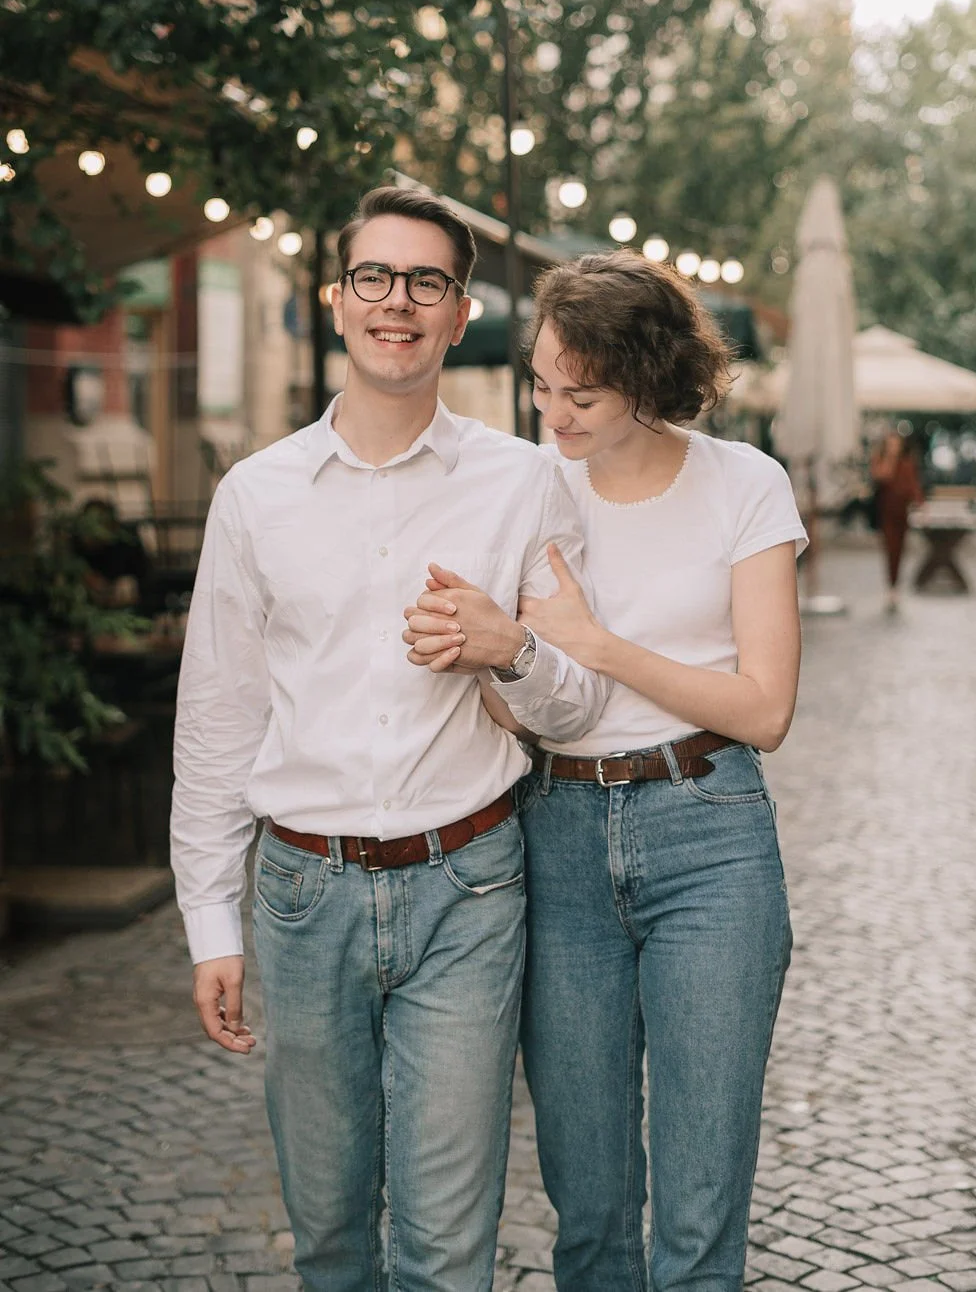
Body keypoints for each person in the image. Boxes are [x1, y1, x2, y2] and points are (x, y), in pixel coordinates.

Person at [170, 186, 608, 1292]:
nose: (398, 301)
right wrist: (210, 919)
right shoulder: (255, 495)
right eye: (376, 276)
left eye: (428, 281)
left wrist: (508, 648)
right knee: (326, 1237)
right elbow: (219, 715)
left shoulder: (527, 482)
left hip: (467, 884)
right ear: (335, 300)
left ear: (462, 315)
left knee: (447, 1244)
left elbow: (578, 710)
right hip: (300, 895)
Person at [404, 250, 807, 1292]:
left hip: (710, 838)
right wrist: (498, 653)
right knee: (585, 1207)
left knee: (700, 1206)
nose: (555, 414)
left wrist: (597, 640)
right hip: (559, 840)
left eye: (581, 394)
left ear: (648, 377)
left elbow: (765, 709)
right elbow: (510, 695)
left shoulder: (744, 483)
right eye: (541, 384)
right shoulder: (523, 491)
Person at [870, 430, 924, 610]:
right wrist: (889, 459)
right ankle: (891, 585)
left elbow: (913, 485)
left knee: (900, 550)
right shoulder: (880, 459)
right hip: (886, 513)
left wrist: (920, 504)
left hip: (902, 513)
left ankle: (895, 585)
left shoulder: (907, 463)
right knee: (890, 548)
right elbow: (882, 476)